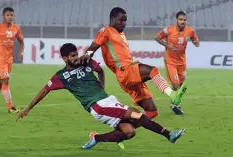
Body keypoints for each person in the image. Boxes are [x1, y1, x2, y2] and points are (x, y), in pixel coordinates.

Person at [16, 43, 185, 149]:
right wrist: (28, 109)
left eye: (76, 54)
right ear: (65, 58)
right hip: (98, 106)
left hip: (108, 100)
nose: (76, 58)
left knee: (129, 132)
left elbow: (100, 70)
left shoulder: (86, 62)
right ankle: (168, 135)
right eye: (72, 56)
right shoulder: (61, 76)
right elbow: (44, 91)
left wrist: (101, 84)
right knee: (138, 115)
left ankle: (96, 138)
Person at [79, 7, 187, 119]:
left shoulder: (121, 34)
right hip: (125, 71)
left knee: (152, 112)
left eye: (125, 20)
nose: (123, 23)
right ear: (112, 18)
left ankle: (123, 129)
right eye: (120, 20)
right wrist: (88, 54)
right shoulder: (106, 30)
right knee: (153, 70)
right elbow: (93, 47)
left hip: (129, 76)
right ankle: (172, 95)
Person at [154, 11, 200, 115]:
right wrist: (168, 45)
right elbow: (156, 37)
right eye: (181, 19)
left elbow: (195, 40)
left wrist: (196, 43)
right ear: (176, 20)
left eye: (184, 20)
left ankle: (173, 104)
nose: (183, 22)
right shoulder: (168, 30)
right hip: (170, 61)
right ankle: (176, 106)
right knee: (176, 85)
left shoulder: (190, 31)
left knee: (181, 85)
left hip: (182, 62)